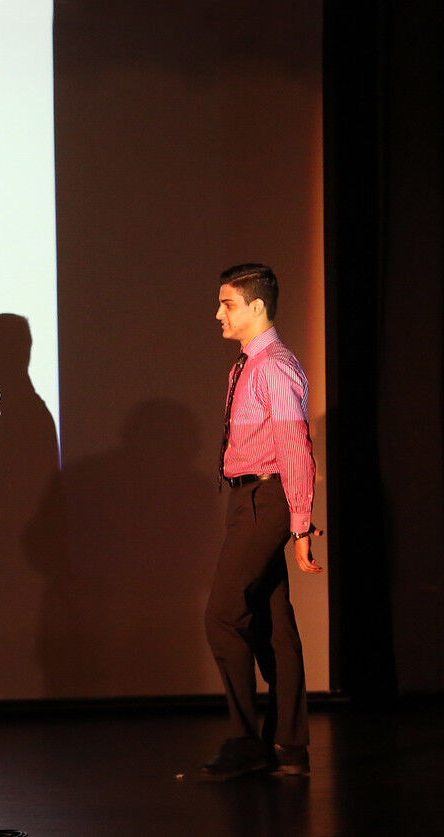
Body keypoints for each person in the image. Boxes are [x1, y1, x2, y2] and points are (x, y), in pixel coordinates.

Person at [201, 263, 321, 780]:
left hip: (265, 500)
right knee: (273, 622)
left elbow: (296, 448)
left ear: (257, 306)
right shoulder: (244, 367)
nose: (219, 313)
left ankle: (245, 740)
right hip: (247, 498)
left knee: (222, 617)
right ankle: (289, 745)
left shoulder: (273, 366)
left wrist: (300, 525)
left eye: (227, 304)